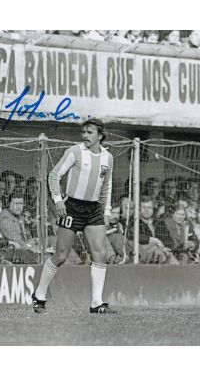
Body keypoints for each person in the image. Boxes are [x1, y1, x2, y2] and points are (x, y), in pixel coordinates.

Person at [32, 118, 116, 314]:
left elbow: (107, 186)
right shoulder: (75, 152)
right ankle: (39, 295)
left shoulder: (108, 158)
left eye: (90, 132)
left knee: (100, 253)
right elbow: (54, 175)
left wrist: (106, 211)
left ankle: (96, 303)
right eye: (84, 132)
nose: (85, 135)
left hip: (94, 209)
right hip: (72, 207)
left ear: (100, 136)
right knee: (61, 256)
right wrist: (58, 200)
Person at [0, 192, 39, 264]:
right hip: (8, 252)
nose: (19, 207)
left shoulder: (20, 217)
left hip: (19, 251)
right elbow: (14, 238)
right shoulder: (5, 217)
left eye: (21, 204)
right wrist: (28, 245)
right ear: (9, 204)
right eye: (16, 204)